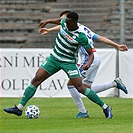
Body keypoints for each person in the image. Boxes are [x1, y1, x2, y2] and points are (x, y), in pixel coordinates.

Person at [4, 12, 113, 119]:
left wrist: (88, 64)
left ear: (75, 22)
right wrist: (47, 21)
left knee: (80, 88)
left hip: (69, 62)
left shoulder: (81, 36)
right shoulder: (65, 22)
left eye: (69, 23)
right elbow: (59, 20)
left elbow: (91, 54)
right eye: (66, 22)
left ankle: (105, 107)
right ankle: (19, 108)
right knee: (36, 79)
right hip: (54, 58)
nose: (66, 24)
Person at [38, 11, 128, 118]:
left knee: (72, 85)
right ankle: (114, 84)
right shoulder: (84, 28)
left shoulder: (77, 32)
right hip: (95, 57)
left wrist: (49, 29)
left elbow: (62, 27)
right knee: (85, 88)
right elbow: (101, 38)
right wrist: (117, 46)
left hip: (88, 59)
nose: (62, 22)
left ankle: (83, 111)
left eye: (64, 19)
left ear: (70, 20)